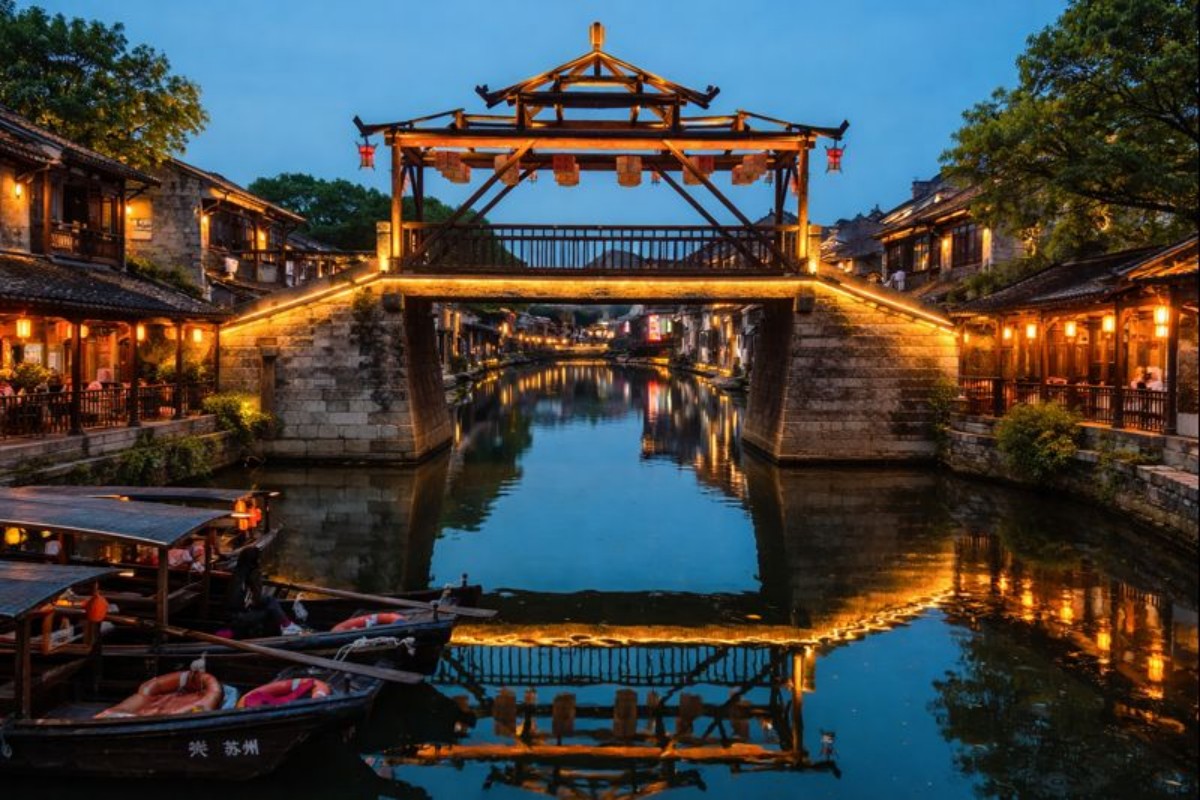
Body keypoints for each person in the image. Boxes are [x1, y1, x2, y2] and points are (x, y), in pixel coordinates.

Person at [225, 548, 300, 637]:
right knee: (271, 605)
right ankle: (288, 627)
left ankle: (287, 626)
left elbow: (253, 600)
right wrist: (256, 582)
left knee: (270, 602)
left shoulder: (240, 573)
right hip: (238, 619)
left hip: (240, 615)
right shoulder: (242, 579)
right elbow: (247, 602)